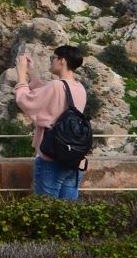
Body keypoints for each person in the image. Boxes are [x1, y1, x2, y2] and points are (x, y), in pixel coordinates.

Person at [13, 45, 88, 199]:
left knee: (46, 211)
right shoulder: (79, 87)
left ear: (62, 61)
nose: (51, 61)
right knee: (68, 213)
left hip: (52, 158)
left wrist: (21, 75)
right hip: (73, 159)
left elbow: (25, 100)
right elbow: (46, 92)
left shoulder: (57, 86)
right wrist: (31, 72)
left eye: (53, 58)